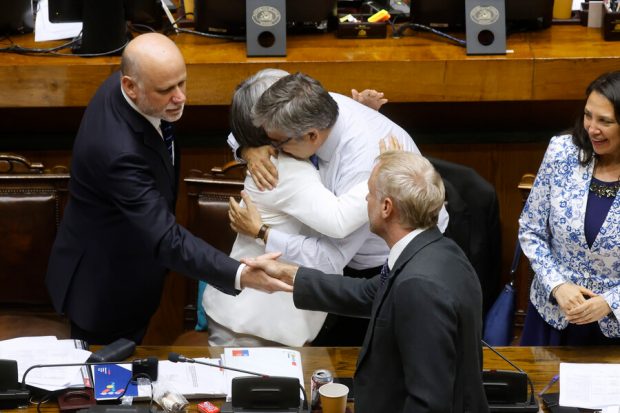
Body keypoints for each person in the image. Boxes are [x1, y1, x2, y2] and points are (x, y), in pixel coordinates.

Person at [45, 33, 289, 345]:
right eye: (166, 90)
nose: (180, 97)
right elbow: (166, 239)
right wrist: (241, 275)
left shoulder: (136, 90)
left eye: (182, 83)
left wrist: (245, 147)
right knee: (107, 380)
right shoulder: (117, 151)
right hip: (104, 288)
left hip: (133, 262)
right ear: (130, 87)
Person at [244, 151, 488, 413]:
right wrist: (287, 272)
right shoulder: (438, 251)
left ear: (386, 207)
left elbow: (428, 403)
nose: (365, 199)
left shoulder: (419, 286)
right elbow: (367, 293)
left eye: (370, 192)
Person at [238, 72, 447, 346]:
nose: (273, 152)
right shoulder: (323, 105)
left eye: (277, 144)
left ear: (312, 135)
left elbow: (331, 257)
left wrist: (263, 233)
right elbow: (243, 130)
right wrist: (246, 150)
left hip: (392, 266)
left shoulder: (364, 166)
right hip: (356, 264)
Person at [203, 69, 395, 346]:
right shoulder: (284, 169)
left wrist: (361, 115)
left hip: (256, 314)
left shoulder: (286, 145)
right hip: (255, 323)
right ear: (269, 130)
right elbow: (338, 221)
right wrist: (385, 167)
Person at [519, 71, 620, 345]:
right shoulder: (561, 151)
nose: (592, 128)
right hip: (553, 318)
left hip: (613, 330)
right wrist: (557, 285)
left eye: (605, 121)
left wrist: (611, 302)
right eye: (589, 115)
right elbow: (531, 230)